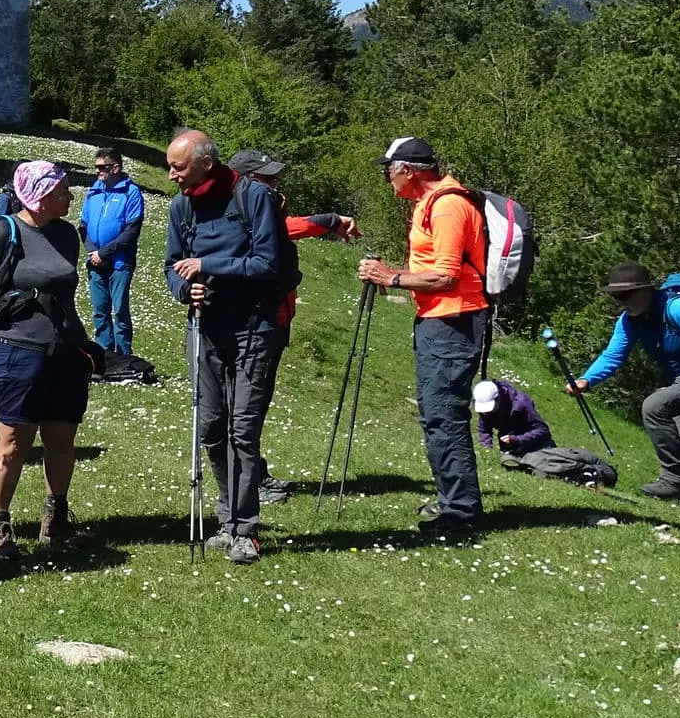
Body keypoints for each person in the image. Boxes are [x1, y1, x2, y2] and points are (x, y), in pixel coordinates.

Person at [0, 161, 98, 559]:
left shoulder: (67, 234)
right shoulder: (4, 231)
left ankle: (56, 521)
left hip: (66, 351)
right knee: (14, 441)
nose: (70, 197)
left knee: (61, 439)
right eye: (62, 191)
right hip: (19, 351)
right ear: (38, 196)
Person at [165, 130, 289, 564]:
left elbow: (267, 263)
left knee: (243, 430)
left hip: (254, 328)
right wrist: (185, 289)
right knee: (212, 428)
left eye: (178, 167)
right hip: (204, 328)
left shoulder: (253, 196)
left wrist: (207, 265)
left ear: (206, 162)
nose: (171, 175)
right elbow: (172, 266)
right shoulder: (181, 206)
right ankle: (226, 520)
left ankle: (245, 529)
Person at [356, 137, 488, 538]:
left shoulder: (447, 206)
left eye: (388, 170)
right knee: (437, 414)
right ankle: (453, 501)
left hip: (453, 320)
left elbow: (445, 276)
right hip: (440, 319)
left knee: (443, 415)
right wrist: (393, 275)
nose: (387, 178)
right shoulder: (431, 203)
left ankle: (461, 514)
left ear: (407, 170)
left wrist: (390, 277)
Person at [226, 148, 361, 505]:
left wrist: (328, 221)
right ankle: (247, 483)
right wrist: (330, 220)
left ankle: (253, 474)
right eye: (266, 179)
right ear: (245, 180)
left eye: (274, 178)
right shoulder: (241, 210)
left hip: (274, 319)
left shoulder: (256, 206)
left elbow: (286, 228)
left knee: (252, 404)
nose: (275, 184)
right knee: (247, 406)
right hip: (258, 322)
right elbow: (285, 230)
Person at [568, 262, 680, 504]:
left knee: (654, 406)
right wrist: (586, 380)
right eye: (616, 297)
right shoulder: (629, 321)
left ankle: (674, 479)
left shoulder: (676, 309)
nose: (621, 302)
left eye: (625, 295)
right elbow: (613, 356)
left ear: (646, 290)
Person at [79, 146, 144, 358]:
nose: (97, 171)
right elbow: (83, 226)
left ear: (115, 168)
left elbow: (131, 231)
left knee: (120, 311)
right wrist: (93, 252)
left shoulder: (130, 193)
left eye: (102, 167)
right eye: (96, 167)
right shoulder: (94, 191)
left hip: (120, 263)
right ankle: (104, 355)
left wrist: (104, 254)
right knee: (100, 311)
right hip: (95, 262)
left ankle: (123, 356)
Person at [473, 379, 554, 458]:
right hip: (510, 447)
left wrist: (517, 439)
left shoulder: (522, 404)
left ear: (498, 399)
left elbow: (542, 430)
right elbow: (484, 429)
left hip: (536, 446)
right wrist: (487, 448)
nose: (486, 413)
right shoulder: (485, 409)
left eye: (489, 409)